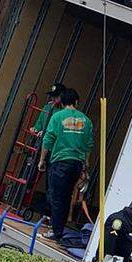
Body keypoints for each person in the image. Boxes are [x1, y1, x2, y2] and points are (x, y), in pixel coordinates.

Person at [38, 87, 93, 243]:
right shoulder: (86, 121)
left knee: (56, 197)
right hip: (76, 164)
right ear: (76, 102)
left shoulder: (57, 117)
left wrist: (42, 160)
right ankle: (58, 230)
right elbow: (89, 144)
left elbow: (48, 139)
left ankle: (56, 232)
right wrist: (86, 163)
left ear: (62, 102)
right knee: (67, 195)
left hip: (60, 162)